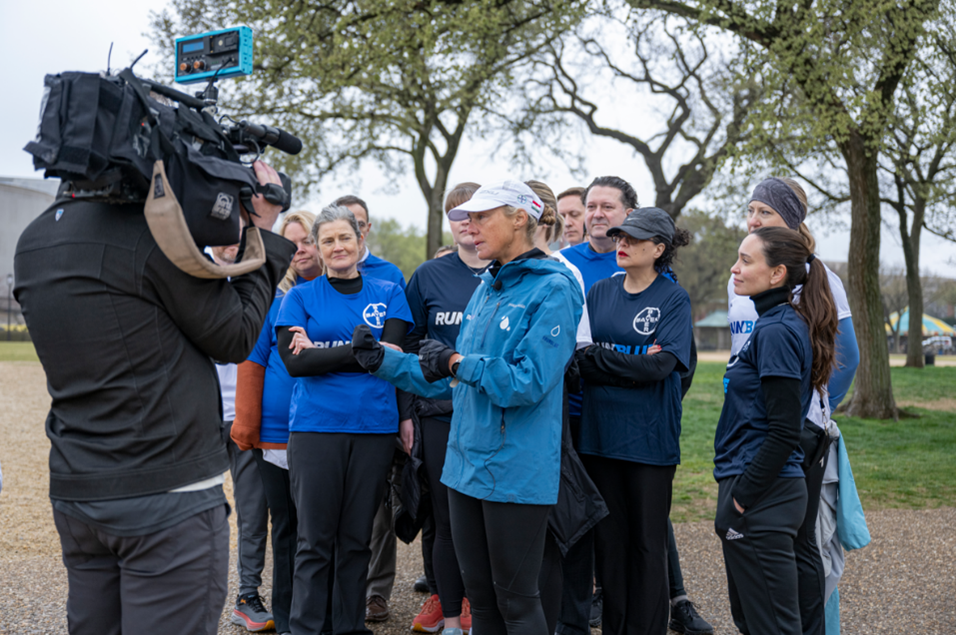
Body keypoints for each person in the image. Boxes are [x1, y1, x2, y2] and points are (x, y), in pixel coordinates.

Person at [14, 161, 296, 634]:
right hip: (164, 494)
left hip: (77, 486)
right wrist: (260, 225)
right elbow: (234, 336)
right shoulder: (151, 238)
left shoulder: (35, 239)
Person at [354, 180, 583, 635]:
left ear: (520, 218)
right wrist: (386, 361)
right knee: (480, 602)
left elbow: (528, 381)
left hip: (515, 471)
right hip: (464, 466)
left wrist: (457, 360)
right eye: (466, 218)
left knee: (517, 602)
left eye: (482, 217)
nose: (468, 225)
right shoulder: (487, 286)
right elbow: (452, 378)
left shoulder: (555, 288)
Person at [555, 177, 711, 635]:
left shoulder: (673, 297)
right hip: (600, 437)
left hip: (648, 441)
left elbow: (662, 368)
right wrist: (632, 357)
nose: (621, 244)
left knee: (646, 545)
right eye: (621, 238)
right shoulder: (599, 292)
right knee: (610, 545)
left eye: (633, 238)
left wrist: (608, 359)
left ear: (658, 248)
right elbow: (579, 359)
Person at [726, 177, 860, 635]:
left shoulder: (814, 278)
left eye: (766, 212)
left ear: (793, 220)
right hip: (755, 420)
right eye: (752, 210)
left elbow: (845, 357)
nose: (755, 218)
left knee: (795, 546)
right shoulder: (746, 276)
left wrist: (807, 412)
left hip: (789, 430)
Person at [276, 204, 414, 635]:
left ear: (359, 241)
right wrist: (359, 349)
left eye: (345, 238)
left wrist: (322, 352)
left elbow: (388, 358)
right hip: (316, 430)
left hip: (373, 429)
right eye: (328, 240)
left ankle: (349, 628)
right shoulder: (300, 296)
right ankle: (305, 628)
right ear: (317, 249)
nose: (337, 247)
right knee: (314, 542)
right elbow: (296, 366)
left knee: (356, 541)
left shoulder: (389, 291)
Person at [230, 211, 322, 635]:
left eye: (307, 240)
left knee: (320, 530)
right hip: (276, 437)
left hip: (325, 433)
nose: (300, 249)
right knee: (284, 527)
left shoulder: (335, 295)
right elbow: (253, 363)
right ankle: (286, 620)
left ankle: (324, 615)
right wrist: (247, 428)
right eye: (293, 242)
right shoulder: (275, 301)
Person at [404, 182, 490, 635]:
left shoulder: (507, 273)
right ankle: (449, 606)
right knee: (446, 515)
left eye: (474, 214)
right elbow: (410, 342)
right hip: (440, 412)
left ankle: (482, 603)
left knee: (486, 512)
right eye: (457, 215)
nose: (466, 224)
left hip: (494, 413)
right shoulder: (429, 276)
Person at [332, 192, 407, 623]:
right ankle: (338, 593)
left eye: (356, 225)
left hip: (377, 412)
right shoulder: (314, 284)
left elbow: (394, 353)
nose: (349, 236)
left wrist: (403, 414)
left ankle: (376, 592)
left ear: (366, 229)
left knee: (378, 512)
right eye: (340, 228)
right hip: (327, 419)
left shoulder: (390, 278)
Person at [205, 241, 275, 634]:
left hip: (248, 417)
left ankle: (248, 596)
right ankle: (188, 593)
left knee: (252, 513)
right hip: (199, 417)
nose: (228, 241)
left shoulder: (260, 280)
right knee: (196, 513)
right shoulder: (189, 275)